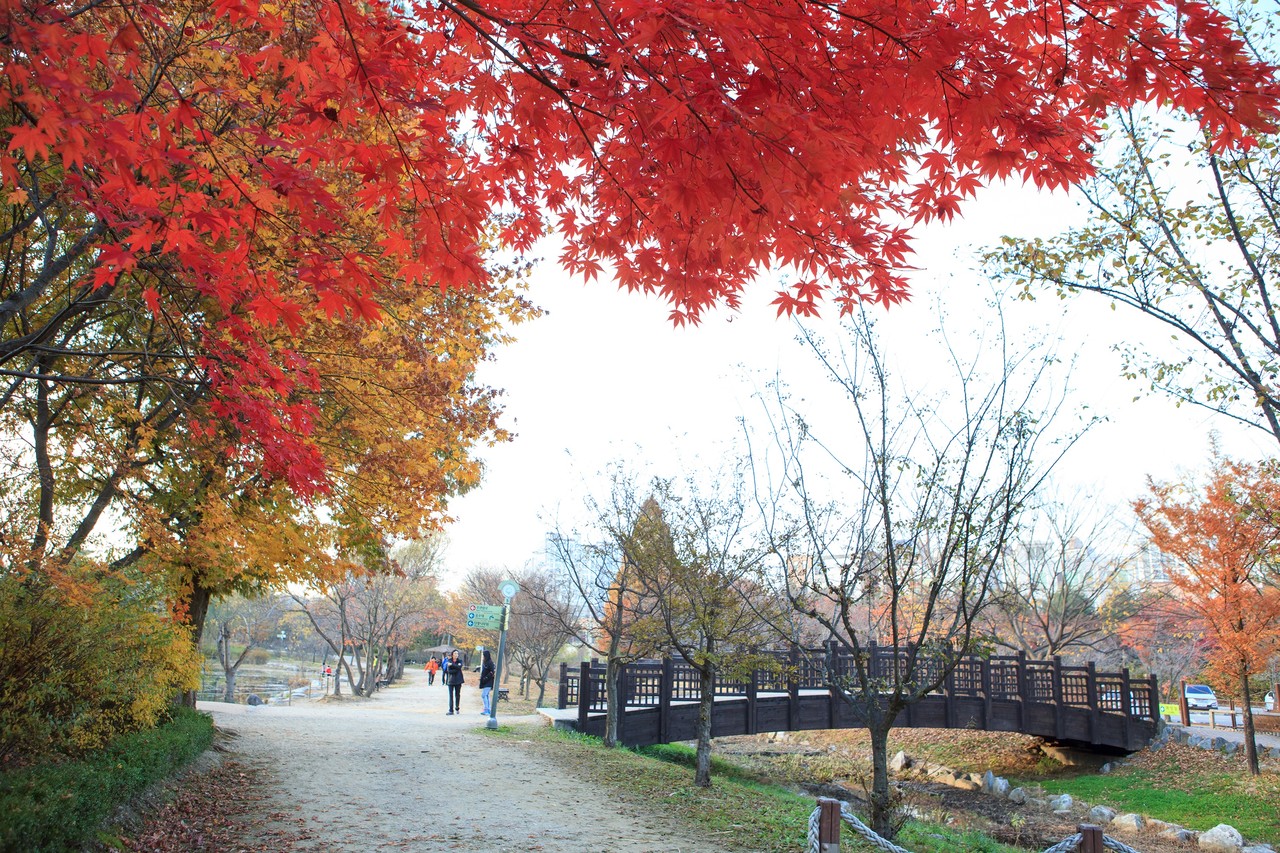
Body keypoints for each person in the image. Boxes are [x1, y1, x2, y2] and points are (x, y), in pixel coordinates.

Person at [444, 650, 464, 715]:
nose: (456, 654)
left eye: (457, 653)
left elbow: (459, 667)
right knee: (451, 695)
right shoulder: (449, 661)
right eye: (455, 653)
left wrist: (452, 665)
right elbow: (449, 671)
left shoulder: (460, 661)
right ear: (452, 654)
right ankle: (451, 710)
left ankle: (457, 707)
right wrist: (456, 668)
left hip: (458, 680)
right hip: (451, 680)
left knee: (457, 695)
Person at [478, 650, 495, 715]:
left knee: (484, 695)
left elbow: (492, 672)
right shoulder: (485, 663)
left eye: (483, 655)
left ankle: (486, 709)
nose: (483, 657)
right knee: (486, 695)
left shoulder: (490, 663)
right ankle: (488, 709)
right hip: (485, 682)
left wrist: (486, 678)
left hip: (488, 681)